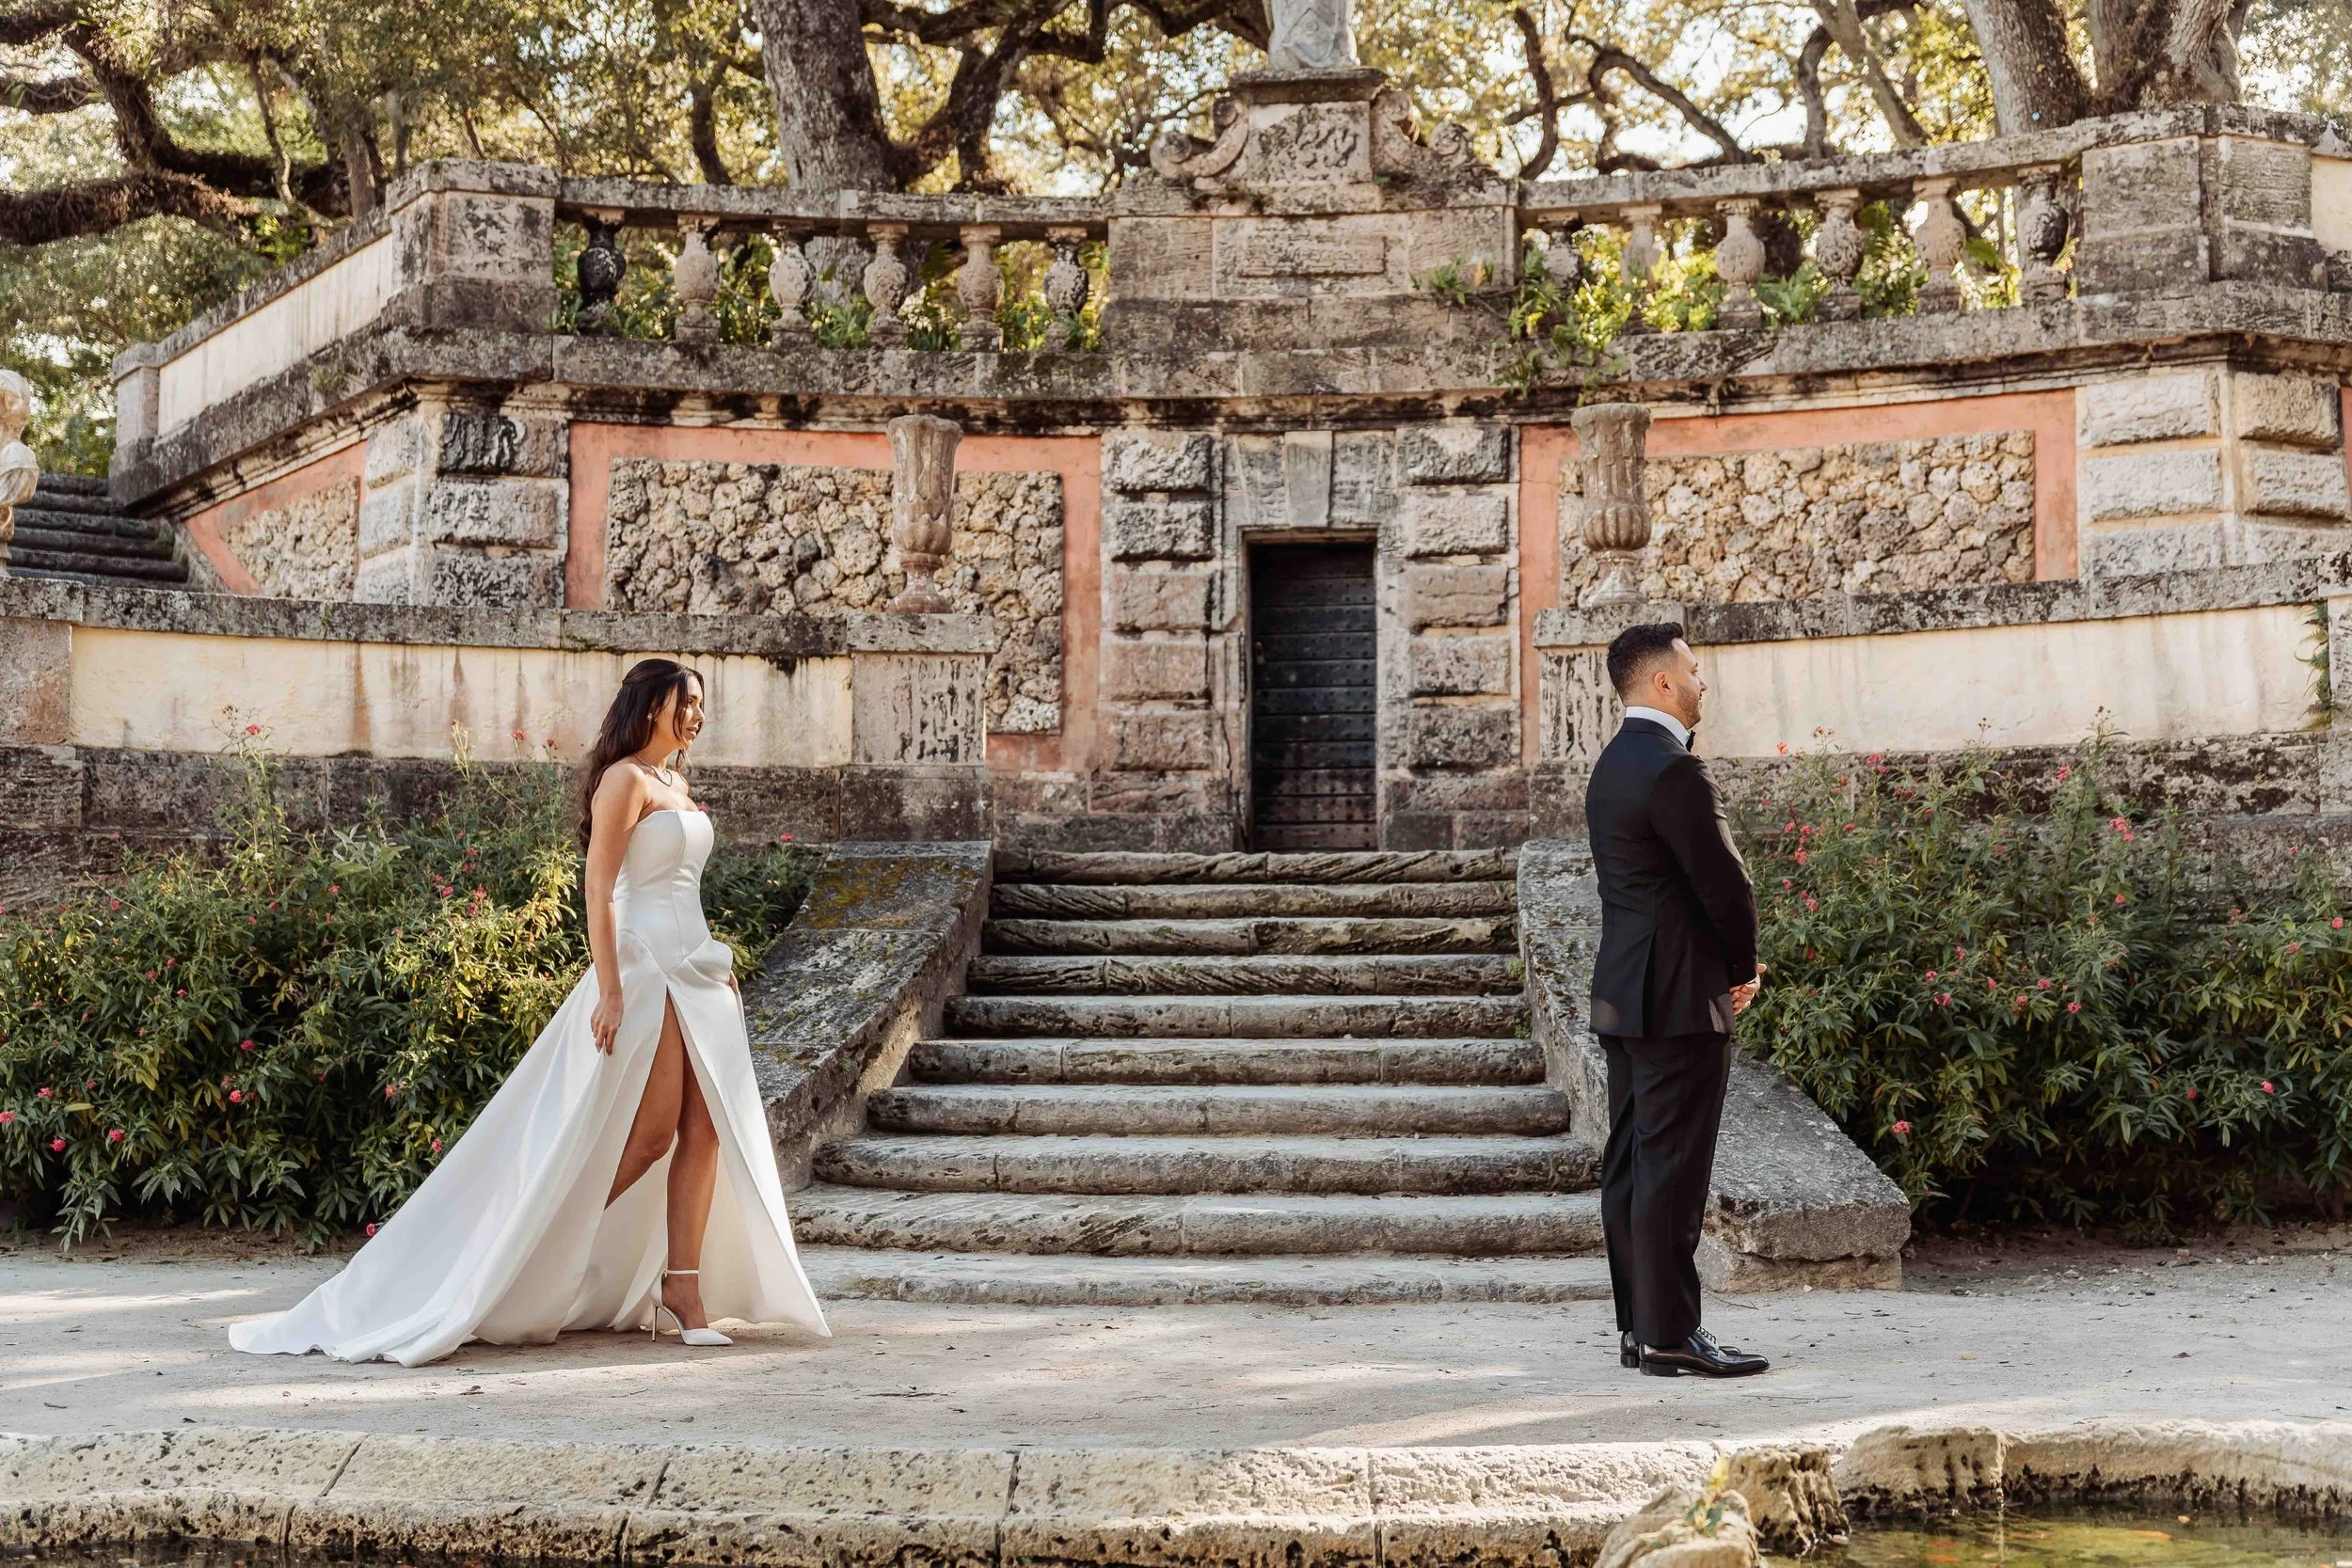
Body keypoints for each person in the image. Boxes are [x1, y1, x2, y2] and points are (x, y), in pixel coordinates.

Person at [230, 658, 830, 1365]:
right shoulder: (625, 780)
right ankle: (532, 1243)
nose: (698, 713)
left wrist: (715, 966)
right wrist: (610, 988)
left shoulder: (678, 784)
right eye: (686, 700)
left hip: (698, 973)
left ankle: (683, 1290)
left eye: (701, 702)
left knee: (708, 1134)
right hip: (647, 971)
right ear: (650, 704)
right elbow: (600, 887)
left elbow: (683, 886)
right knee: (652, 1133)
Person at [1584, 623, 1769, 1379]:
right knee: (1672, 1170)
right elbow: (1726, 884)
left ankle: (1641, 1328)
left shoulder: (1610, 767)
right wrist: (1741, 967)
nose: (1702, 682)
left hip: (1625, 992)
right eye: (1694, 670)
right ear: (1662, 682)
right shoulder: (1673, 770)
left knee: (1632, 1163)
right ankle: (1671, 1334)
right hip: (1680, 995)